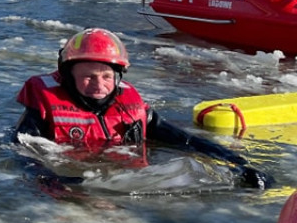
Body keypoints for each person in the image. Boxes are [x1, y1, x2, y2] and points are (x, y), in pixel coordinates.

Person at [14, 28, 272, 189]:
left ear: (118, 77)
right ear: (68, 76)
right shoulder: (43, 108)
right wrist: (49, 177)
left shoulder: (133, 109)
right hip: (69, 181)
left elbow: (187, 141)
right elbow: (19, 148)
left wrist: (238, 163)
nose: (98, 85)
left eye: (106, 77)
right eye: (88, 76)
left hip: (123, 179)